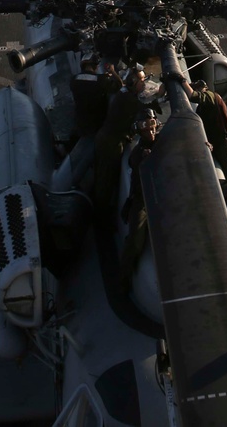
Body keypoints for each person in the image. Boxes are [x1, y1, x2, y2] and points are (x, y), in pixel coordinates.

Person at [93, 66, 147, 211]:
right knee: (105, 180)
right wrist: (161, 95)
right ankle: (101, 213)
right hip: (111, 143)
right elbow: (143, 108)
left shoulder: (124, 92)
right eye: (141, 80)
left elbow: (122, 85)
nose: (144, 83)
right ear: (133, 82)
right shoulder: (129, 99)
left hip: (105, 137)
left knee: (101, 175)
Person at [118, 110, 160, 285]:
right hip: (143, 198)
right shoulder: (138, 154)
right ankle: (124, 279)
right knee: (135, 240)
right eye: (146, 127)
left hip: (163, 192)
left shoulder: (162, 142)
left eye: (152, 126)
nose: (150, 131)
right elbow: (136, 164)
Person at [183, 78, 227, 184]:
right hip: (218, 144)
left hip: (225, 144)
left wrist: (182, 81)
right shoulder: (204, 107)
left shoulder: (210, 96)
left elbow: (193, 96)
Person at [71, 57, 121, 137]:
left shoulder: (73, 79)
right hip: (98, 123)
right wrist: (112, 71)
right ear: (95, 66)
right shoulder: (101, 80)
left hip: (81, 122)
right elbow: (119, 85)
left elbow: (86, 84)